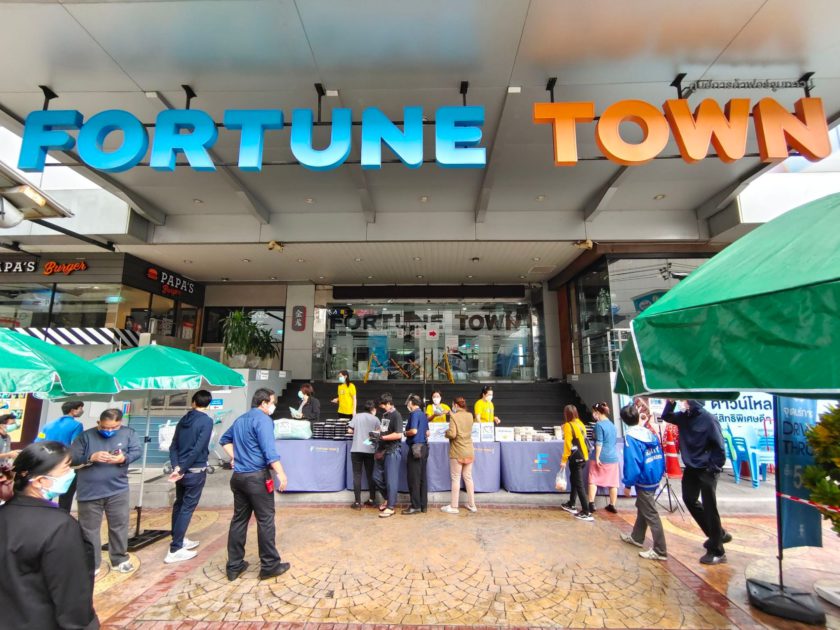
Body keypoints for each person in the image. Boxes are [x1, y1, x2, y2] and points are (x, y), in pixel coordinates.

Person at [0, 442, 99, 629]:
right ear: (40, 481)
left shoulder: (5, 514)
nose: (71, 473)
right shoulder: (59, 526)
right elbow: (71, 595)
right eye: (66, 468)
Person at [220, 388, 290, 581]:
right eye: (272, 402)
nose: (273, 406)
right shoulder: (264, 420)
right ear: (264, 403)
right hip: (257, 478)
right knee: (265, 520)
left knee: (239, 520)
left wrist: (236, 457)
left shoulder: (241, 420)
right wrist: (281, 473)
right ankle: (269, 566)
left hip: (238, 478)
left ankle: (234, 566)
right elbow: (269, 451)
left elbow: (224, 440)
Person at [72, 408, 141, 574]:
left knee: (119, 525)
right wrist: (91, 457)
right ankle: (92, 563)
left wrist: (124, 458)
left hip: (118, 489)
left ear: (120, 423)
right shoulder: (85, 437)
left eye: (114, 428)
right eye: (105, 427)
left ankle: (119, 559)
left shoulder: (129, 433)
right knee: (89, 529)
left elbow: (137, 451)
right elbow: (72, 459)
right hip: (89, 491)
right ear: (98, 423)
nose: (109, 431)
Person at [661, 399, 730, 564]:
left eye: (685, 400)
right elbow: (667, 416)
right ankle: (718, 534)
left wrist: (713, 468)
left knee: (710, 507)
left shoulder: (709, 420)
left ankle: (718, 551)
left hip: (707, 468)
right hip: (691, 468)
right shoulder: (684, 417)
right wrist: (670, 402)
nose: (683, 403)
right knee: (689, 499)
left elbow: (720, 447)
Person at [165, 390, 214, 564]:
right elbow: (198, 448)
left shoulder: (183, 419)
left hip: (180, 471)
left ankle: (178, 537)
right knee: (187, 507)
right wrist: (183, 468)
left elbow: (173, 446)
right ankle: (175, 548)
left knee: (179, 504)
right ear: (208, 404)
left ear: (193, 402)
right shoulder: (206, 421)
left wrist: (176, 467)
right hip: (194, 470)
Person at [619, 404, 668, 561]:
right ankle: (637, 537)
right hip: (654, 475)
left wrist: (628, 484)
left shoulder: (631, 437)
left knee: (651, 513)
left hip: (644, 478)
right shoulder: (648, 433)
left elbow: (632, 462)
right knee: (643, 507)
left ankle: (660, 550)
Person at [36, 400, 85, 512]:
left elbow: (38, 442)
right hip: (65, 463)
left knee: (46, 490)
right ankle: (63, 515)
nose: (82, 410)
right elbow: (75, 445)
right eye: (81, 408)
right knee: (66, 493)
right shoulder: (77, 425)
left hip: (47, 462)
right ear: (73, 410)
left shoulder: (48, 425)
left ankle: (42, 513)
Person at [442, 397, 476, 514]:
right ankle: (472, 505)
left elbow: (452, 434)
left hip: (457, 451)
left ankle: (454, 506)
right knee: (468, 477)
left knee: (456, 478)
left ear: (455, 405)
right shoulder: (470, 415)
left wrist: (446, 433)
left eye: (453, 405)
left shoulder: (454, 417)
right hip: (469, 450)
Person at [371, 393, 403, 518]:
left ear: (389, 404)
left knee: (391, 480)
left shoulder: (396, 415)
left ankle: (391, 507)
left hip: (393, 450)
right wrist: (375, 434)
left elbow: (399, 434)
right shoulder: (385, 415)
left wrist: (382, 437)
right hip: (382, 450)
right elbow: (383, 430)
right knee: (376, 477)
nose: (382, 408)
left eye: (383, 406)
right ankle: (388, 499)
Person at [559, 404, 593, 521]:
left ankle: (586, 511)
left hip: (576, 458)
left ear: (566, 414)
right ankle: (571, 504)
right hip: (584, 457)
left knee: (578, 484)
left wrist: (563, 460)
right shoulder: (580, 423)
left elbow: (568, 444)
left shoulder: (568, 426)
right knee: (574, 480)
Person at [587, 402, 619, 514]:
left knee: (593, 480)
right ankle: (612, 505)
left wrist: (597, 457)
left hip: (601, 457)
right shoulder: (612, 425)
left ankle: (591, 504)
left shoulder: (599, 425)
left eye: (594, 412)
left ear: (597, 412)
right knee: (613, 483)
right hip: (613, 457)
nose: (593, 414)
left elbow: (599, 442)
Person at [347, 400, 380, 509]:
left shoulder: (357, 416)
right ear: (373, 409)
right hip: (369, 450)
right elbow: (378, 434)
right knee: (370, 475)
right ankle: (372, 500)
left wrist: (358, 432)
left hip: (356, 449)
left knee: (357, 475)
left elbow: (349, 430)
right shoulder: (375, 419)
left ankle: (357, 503)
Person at [403, 394, 429, 515]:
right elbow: (427, 433)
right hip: (424, 448)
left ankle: (415, 506)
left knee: (414, 479)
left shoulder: (414, 414)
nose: (408, 405)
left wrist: (405, 433)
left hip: (415, 449)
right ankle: (423, 506)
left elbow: (413, 431)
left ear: (412, 403)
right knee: (422, 478)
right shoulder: (423, 415)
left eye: (408, 402)